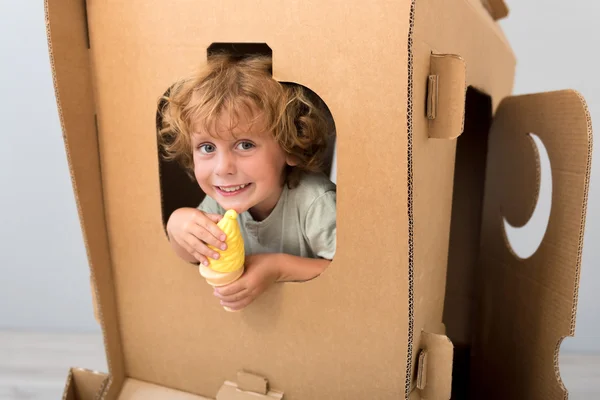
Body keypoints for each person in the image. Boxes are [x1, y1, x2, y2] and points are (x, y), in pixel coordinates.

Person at [158, 53, 336, 311]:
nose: (223, 168)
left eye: (245, 145)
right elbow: (194, 256)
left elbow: (350, 272)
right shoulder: (220, 202)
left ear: (290, 148)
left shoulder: (315, 202)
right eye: (207, 147)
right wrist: (177, 227)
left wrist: (277, 268)